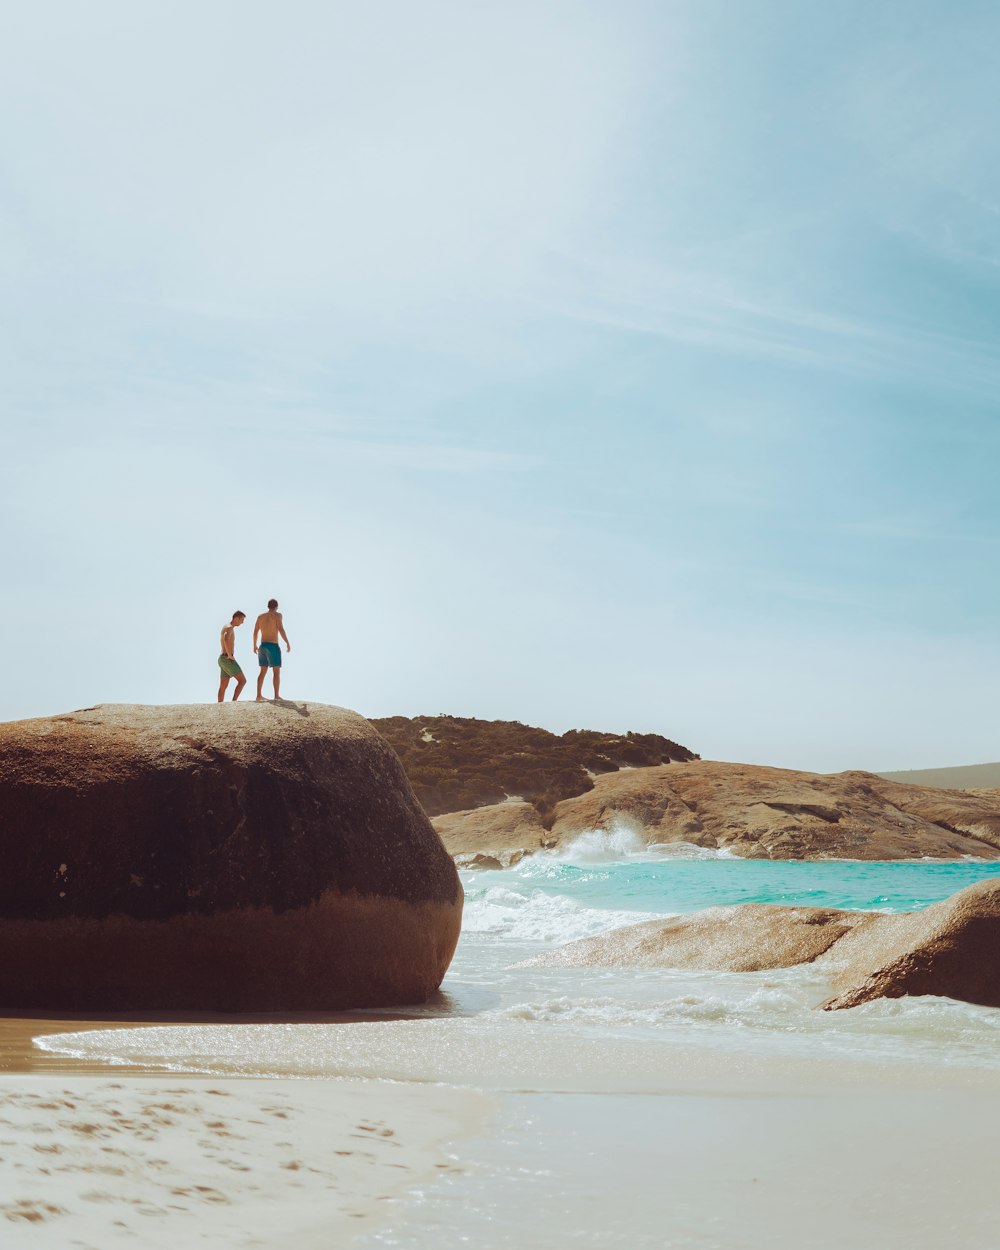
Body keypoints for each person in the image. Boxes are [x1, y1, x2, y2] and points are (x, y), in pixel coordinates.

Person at [254, 598, 291, 700]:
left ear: (268, 606)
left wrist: (254, 645)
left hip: (262, 646)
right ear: (277, 607)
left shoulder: (260, 617)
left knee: (262, 671)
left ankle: (258, 695)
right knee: (276, 672)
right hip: (273, 646)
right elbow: (281, 629)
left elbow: (255, 631)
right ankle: (276, 695)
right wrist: (287, 642)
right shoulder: (277, 615)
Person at [217, 611, 247, 702]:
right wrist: (230, 655)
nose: (242, 622)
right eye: (242, 620)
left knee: (223, 685)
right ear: (236, 618)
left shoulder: (226, 626)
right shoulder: (229, 627)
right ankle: (234, 701)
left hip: (222, 659)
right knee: (242, 681)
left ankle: (220, 705)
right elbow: (226, 639)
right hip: (227, 658)